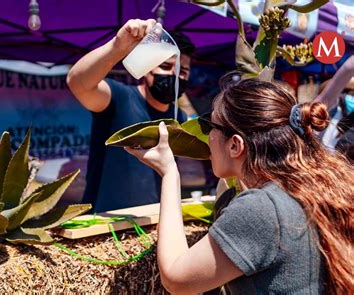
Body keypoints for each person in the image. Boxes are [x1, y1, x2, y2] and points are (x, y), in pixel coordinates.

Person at [125, 77, 353, 293]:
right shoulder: (312, 187)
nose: (206, 136)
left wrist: (169, 173)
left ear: (235, 145)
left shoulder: (261, 208)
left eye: (209, 126)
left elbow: (176, 277)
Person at [67, 19, 195, 212]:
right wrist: (117, 47)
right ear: (147, 66)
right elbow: (78, 82)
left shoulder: (179, 118)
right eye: (166, 67)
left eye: (182, 71)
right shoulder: (119, 98)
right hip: (105, 223)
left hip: (154, 221)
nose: (174, 75)